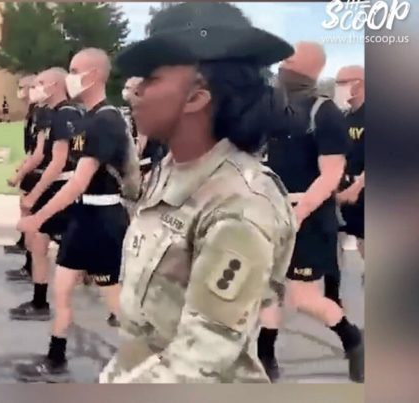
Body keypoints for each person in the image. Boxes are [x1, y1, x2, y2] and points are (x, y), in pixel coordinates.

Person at [96, 3, 298, 383]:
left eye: (150, 79)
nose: (134, 91)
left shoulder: (240, 203)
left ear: (196, 97)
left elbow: (199, 360)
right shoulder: (171, 169)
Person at [14, 48, 130, 382]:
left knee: (116, 303)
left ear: (94, 75)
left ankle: (146, 360)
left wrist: (37, 218)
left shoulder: (106, 120)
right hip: (83, 218)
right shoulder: (89, 118)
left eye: (75, 69)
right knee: (62, 289)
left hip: (104, 220)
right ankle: (55, 358)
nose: (70, 76)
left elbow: (78, 181)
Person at [259, 42, 364, 383]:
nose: (282, 66)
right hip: (268, 212)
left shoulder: (324, 112)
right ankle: (265, 355)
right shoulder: (270, 108)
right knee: (267, 290)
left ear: (310, 66)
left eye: (289, 59)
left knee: (303, 298)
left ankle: (353, 340)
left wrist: (299, 212)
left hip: (306, 215)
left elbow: (331, 174)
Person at [9, 68, 82, 323]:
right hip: (58, 185)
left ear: (53, 85)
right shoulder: (55, 114)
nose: (34, 88)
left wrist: (34, 194)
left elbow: (58, 162)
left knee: (58, 245)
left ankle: (58, 303)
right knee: (38, 243)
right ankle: (40, 301)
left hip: (60, 187)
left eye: (39, 83)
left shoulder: (65, 115)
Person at [334, 65, 365, 290]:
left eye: (342, 82)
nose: (339, 88)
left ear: (359, 83)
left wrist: (357, 188)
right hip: (348, 191)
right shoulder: (346, 117)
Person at [4, 74, 38, 280]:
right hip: (32, 168)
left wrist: (21, 173)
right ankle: (28, 258)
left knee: (35, 220)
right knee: (28, 213)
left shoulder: (40, 114)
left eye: (23, 87)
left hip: (39, 172)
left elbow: (40, 152)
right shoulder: (32, 112)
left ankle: (31, 265)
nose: (20, 91)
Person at [122, 77, 167, 177]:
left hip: (152, 160)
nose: (125, 91)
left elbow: (141, 141)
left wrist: (130, 163)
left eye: (128, 88)